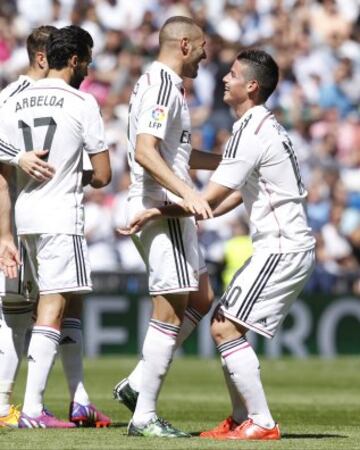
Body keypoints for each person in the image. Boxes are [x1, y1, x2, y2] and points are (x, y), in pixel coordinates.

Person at [120, 49, 316, 441]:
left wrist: (158, 212)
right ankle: (242, 416)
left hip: (282, 247)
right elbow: (226, 201)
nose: (224, 78)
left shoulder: (251, 133)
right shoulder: (262, 127)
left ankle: (260, 421)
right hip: (280, 246)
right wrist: (174, 213)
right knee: (221, 320)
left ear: (251, 86)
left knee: (225, 328)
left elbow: (207, 199)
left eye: (232, 74)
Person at [114, 16, 223, 438]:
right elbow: (145, 152)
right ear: (183, 44)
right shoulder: (161, 84)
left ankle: (139, 382)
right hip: (161, 206)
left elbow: (176, 152)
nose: (205, 55)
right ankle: (143, 415)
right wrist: (187, 195)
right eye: (201, 47)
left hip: (165, 200)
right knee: (171, 307)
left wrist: (230, 165)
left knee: (202, 294)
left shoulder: (163, 85)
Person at [0, 25, 111, 429]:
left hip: (24, 214)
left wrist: (5, 234)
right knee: (53, 304)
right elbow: (103, 175)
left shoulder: (14, 100)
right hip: (61, 215)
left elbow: (2, 170)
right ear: (76, 59)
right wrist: (74, 173)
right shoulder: (82, 102)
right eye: (89, 58)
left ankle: (79, 400)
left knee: (68, 300)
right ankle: (31, 409)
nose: (91, 66)